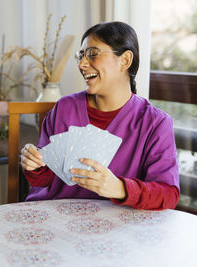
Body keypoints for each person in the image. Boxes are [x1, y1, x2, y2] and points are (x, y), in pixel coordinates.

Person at [21, 21, 179, 210]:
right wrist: (35, 165)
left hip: (118, 229)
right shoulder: (64, 108)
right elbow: (45, 179)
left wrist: (120, 188)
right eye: (80, 56)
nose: (81, 64)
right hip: (58, 219)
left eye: (92, 54)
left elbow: (167, 194)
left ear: (125, 60)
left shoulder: (155, 123)